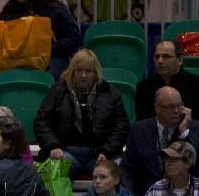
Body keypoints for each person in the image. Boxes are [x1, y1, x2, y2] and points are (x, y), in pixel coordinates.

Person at [32, 49, 130, 179]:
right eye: (79, 70)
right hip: (64, 151)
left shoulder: (111, 93)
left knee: (117, 174)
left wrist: (107, 151)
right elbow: (41, 121)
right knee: (52, 174)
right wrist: (53, 146)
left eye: (88, 71)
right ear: (72, 71)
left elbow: (121, 126)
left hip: (100, 154)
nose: (83, 75)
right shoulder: (57, 90)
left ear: (96, 73)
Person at [121, 86, 199, 196]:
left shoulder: (198, 129)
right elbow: (127, 168)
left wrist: (185, 134)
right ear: (156, 108)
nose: (176, 111)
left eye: (179, 105)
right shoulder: (139, 130)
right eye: (170, 107)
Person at [0, 0, 80, 80]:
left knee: (48, 76)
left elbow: (74, 39)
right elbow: (0, 35)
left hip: (52, 57)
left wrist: (48, 48)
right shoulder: (11, 8)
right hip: (17, 60)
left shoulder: (55, 9)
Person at [134, 39, 199, 126]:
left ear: (180, 60)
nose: (160, 61)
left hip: (188, 137)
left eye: (166, 56)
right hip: (154, 138)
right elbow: (142, 126)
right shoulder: (144, 87)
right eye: (157, 57)